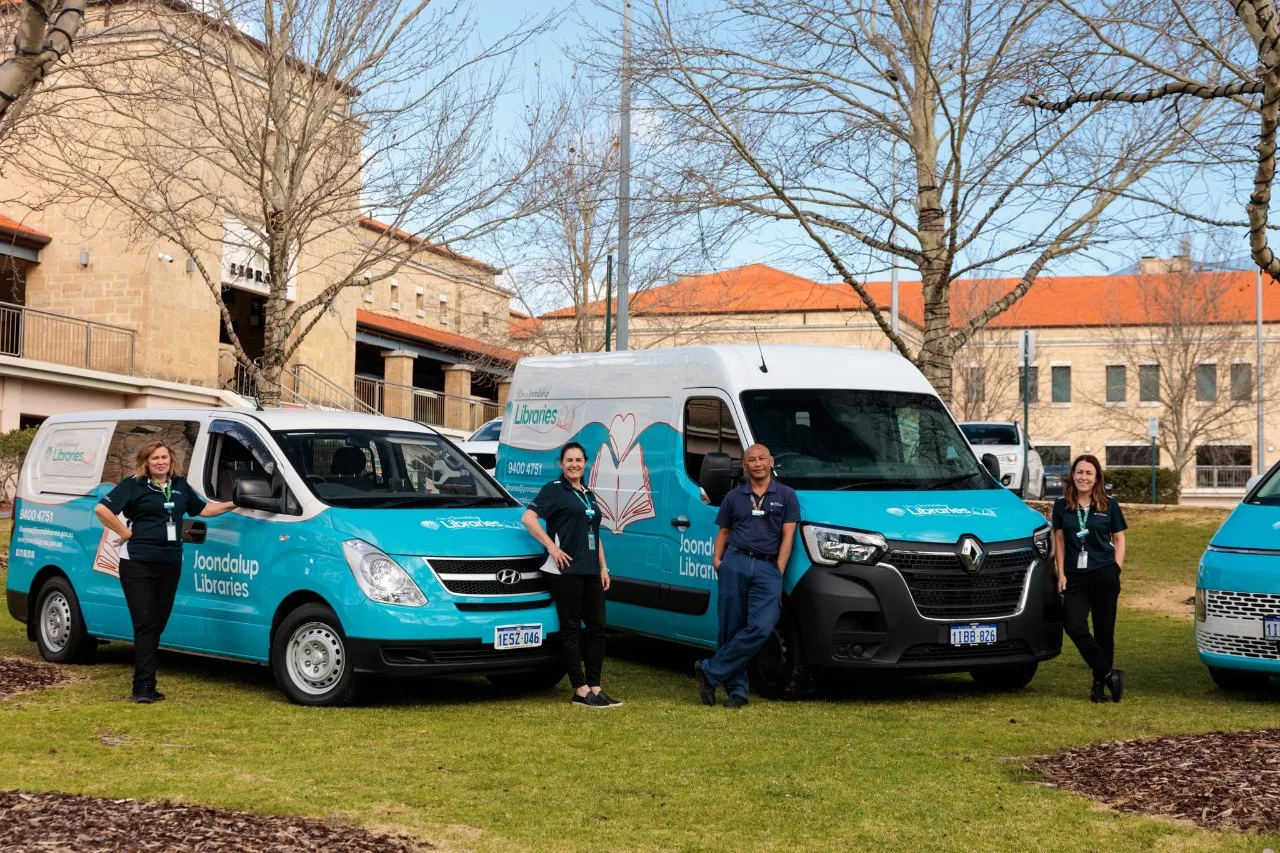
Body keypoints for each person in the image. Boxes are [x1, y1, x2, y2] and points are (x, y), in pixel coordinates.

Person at [93, 440, 236, 703]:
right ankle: (144, 687)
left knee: (158, 621)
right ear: (146, 462)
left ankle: (145, 676)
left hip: (170, 561)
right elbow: (102, 509)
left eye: (164, 457)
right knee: (146, 622)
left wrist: (235, 502)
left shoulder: (179, 486)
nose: (160, 462)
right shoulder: (133, 484)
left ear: (171, 460)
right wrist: (125, 532)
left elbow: (203, 509)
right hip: (137, 562)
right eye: (155, 458)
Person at [695, 443, 800, 709]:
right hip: (736, 562)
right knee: (730, 629)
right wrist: (718, 561)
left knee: (762, 626)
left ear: (771, 461)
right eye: (751, 460)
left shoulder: (787, 496)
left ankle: (710, 671)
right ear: (745, 465)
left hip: (768, 568)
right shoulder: (734, 497)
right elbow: (724, 533)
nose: (757, 464)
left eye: (762, 458)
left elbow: (788, 536)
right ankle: (737, 692)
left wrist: (779, 568)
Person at [521, 442, 621, 708]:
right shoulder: (554, 490)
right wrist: (551, 547)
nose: (574, 464)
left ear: (585, 463)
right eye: (569, 460)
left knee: (598, 628)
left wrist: (603, 567)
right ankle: (580, 688)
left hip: (591, 570)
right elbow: (529, 518)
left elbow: (594, 534)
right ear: (561, 464)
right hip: (565, 571)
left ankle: (596, 687)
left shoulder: (589, 494)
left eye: (578, 460)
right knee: (572, 629)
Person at [1051, 453, 1128, 703]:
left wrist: (1116, 568)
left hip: (1104, 574)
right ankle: (1109, 675)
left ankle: (1099, 688)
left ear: (1096, 479)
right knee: (1074, 625)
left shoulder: (1109, 505)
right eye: (1080, 472)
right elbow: (1059, 540)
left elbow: (1119, 538)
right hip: (1075, 576)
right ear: (1073, 475)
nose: (1083, 477)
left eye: (1089, 473)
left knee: (1104, 631)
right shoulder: (1061, 505)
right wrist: (1060, 572)